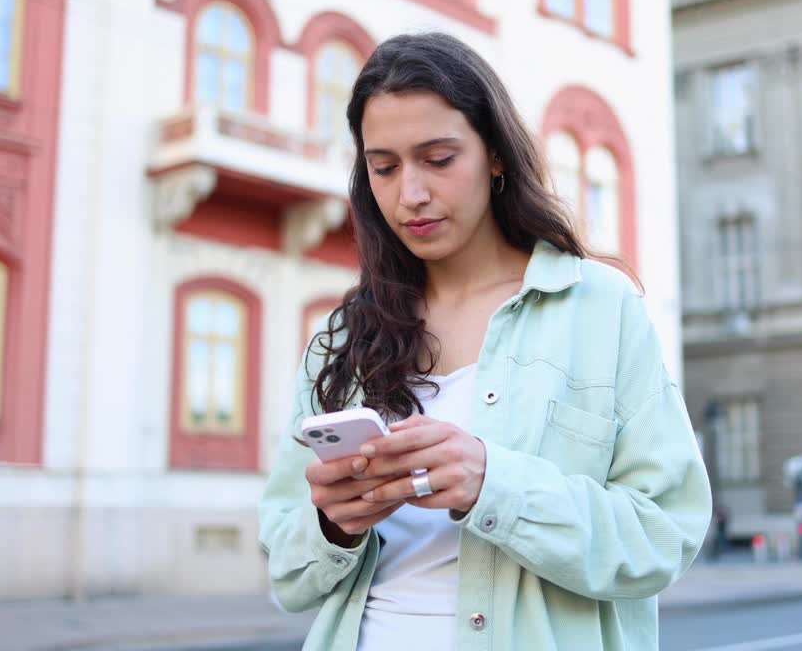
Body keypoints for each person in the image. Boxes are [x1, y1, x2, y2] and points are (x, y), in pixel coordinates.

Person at [258, 32, 712, 651]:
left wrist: (493, 483)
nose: (409, 194)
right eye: (383, 167)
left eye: (439, 159)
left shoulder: (601, 309)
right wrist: (334, 526)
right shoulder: (343, 336)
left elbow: (665, 536)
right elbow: (288, 574)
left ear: (495, 154)